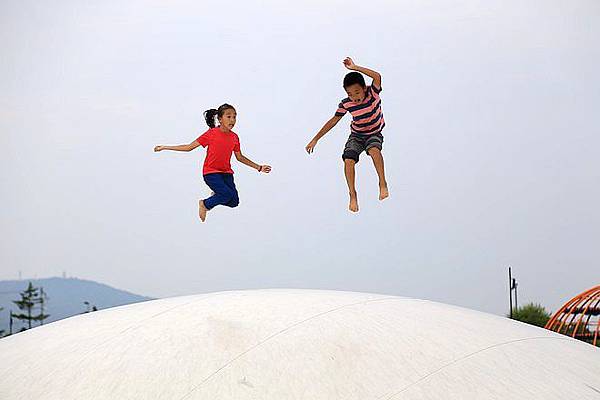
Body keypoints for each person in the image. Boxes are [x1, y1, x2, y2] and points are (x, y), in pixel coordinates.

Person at [154, 104, 271, 222]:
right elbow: (189, 147)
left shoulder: (234, 137)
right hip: (211, 173)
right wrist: (165, 147)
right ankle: (204, 204)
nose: (232, 120)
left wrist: (259, 167)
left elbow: (239, 157)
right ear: (220, 119)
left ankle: (216, 196)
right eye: (229, 116)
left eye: (234, 117)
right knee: (226, 195)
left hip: (226, 173)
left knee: (234, 202)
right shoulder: (211, 134)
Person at [306, 57, 389, 212]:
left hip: (374, 133)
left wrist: (355, 67)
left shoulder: (373, 92)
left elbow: (377, 76)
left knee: (374, 151)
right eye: (350, 94)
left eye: (357, 92)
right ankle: (352, 194)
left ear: (364, 88)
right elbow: (333, 121)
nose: (354, 97)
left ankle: (382, 183)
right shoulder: (346, 103)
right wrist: (315, 139)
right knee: (348, 160)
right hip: (356, 136)